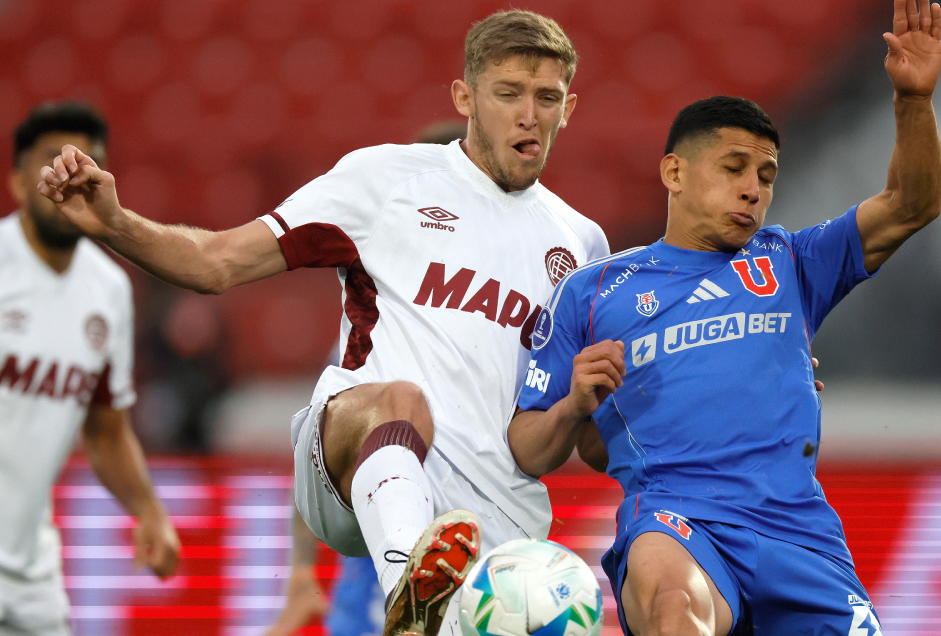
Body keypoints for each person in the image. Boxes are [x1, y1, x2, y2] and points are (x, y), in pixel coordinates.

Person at [36, 11, 608, 636]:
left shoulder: (582, 246)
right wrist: (118, 224)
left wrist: (601, 406)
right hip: (353, 457)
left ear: (569, 108)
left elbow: (570, 440)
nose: (529, 114)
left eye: (546, 98)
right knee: (399, 399)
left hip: (498, 526)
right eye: (508, 93)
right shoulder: (386, 180)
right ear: (464, 97)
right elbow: (216, 263)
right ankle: (411, 601)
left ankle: (429, 606)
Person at [509, 1, 941, 634]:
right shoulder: (593, 291)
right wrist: (576, 404)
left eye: (766, 175)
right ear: (674, 173)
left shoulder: (792, 262)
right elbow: (530, 447)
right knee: (674, 608)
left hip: (798, 531)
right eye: (734, 168)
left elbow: (913, 203)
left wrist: (912, 101)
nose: (754, 189)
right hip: (677, 519)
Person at [262, 118, 469, 636]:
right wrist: (303, 577)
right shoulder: (367, 336)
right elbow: (312, 454)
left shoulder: (507, 328)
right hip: (365, 605)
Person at [1, 102, 181, 635]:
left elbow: (105, 430)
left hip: (30, 571)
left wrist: (149, 509)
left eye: (86, 162)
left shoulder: (108, 290)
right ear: (15, 182)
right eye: (52, 162)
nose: (69, 175)